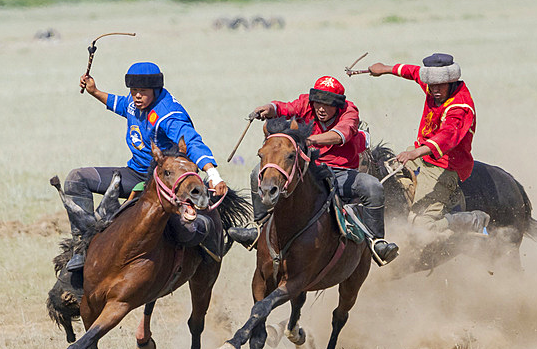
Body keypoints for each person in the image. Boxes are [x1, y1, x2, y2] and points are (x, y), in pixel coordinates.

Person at [62, 61, 228, 271]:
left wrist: (213, 174)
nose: (136, 96)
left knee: (185, 232)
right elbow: (121, 104)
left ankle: (202, 236)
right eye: (133, 91)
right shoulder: (134, 103)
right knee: (76, 179)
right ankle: (80, 247)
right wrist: (94, 91)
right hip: (135, 173)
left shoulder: (170, 115)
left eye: (142, 91)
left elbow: (193, 142)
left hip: (164, 181)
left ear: (156, 90)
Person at [226, 75, 399, 265]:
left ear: (339, 105)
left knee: (372, 185)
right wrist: (270, 108)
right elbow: (286, 107)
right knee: (256, 174)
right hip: (308, 169)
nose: (321, 108)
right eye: (318, 103)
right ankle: (258, 228)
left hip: (340, 172)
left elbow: (341, 134)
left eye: (328, 104)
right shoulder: (306, 103)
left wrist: (310, 140)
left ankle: (377, 242)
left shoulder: (350, 112)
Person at [364, 53, 489, 235]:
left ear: (451, 81)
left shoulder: (460, 106)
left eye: (439, 85)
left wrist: (415, 153)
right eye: (431, 85)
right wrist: (384, 69)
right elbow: (413, 72)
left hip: (445, 166)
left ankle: (470, 219)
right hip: (420, 155)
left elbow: (447, 136)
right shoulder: (434, 87)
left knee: (422, 228)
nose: (434, 90)